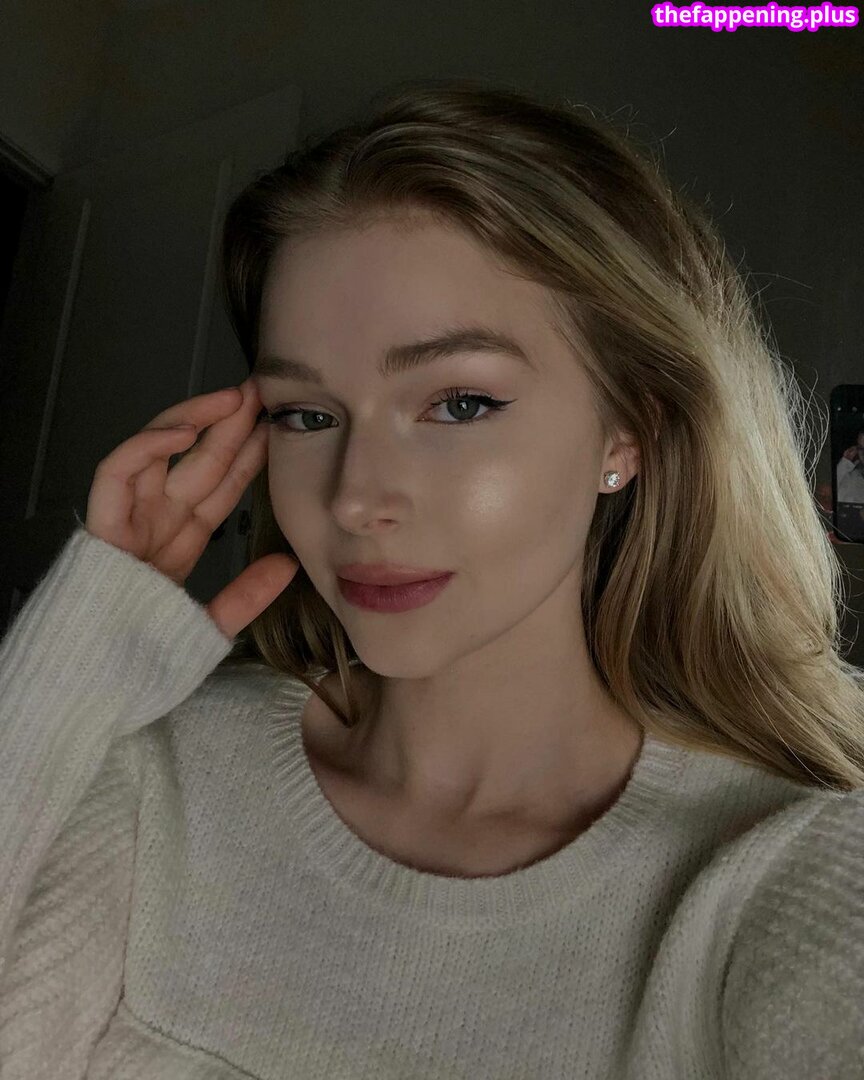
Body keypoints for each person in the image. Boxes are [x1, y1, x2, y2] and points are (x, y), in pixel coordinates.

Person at [1, 78, 862, 1079]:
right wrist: (66, 673)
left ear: (627, 432)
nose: (355, 497)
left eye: (458, 403)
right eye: (305, 415)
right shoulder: (154, 774)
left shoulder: (782, 876)